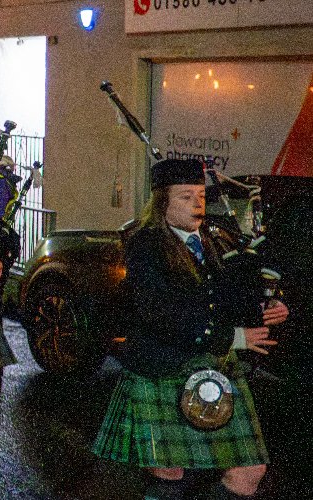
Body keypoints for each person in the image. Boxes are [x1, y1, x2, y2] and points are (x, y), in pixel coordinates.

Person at [92, 159, 290, 500]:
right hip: (162, 368)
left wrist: (264, 308)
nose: (197, 204)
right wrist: (230, 336)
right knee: (170, 473)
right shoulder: (146, 244)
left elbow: (221, 297)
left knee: (249, 471)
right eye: (185, 197)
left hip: (210, 366)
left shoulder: (211, 240)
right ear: (162, 203)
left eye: (200, 195)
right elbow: (158, 312)